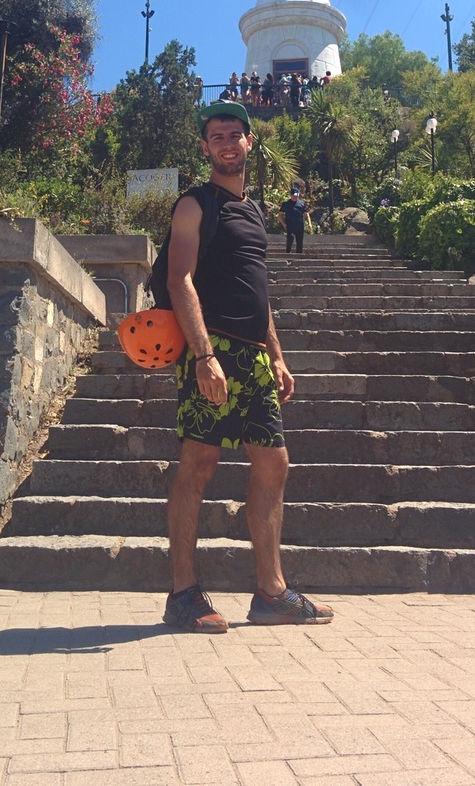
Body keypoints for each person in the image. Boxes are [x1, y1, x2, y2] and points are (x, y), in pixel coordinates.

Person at [163, 100, 334, 632]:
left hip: (255, 358)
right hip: (212, 350)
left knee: (274, 463)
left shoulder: (257, 212)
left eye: (236, 135)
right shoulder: (194, 204)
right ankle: (183, 594)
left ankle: (271, 592)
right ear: (204, 146)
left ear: (249, 143)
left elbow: (256, 292)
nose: (227, 143)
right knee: (199, 462)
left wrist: (277, 355)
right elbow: (178, 280)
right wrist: (204, 357)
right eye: (217, 136)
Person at [279, 186, 312, 254]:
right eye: (294, 196)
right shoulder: (286, 204)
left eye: (296, 196)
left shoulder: (302, 203)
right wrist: (284, 224)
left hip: (299, 225)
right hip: (290, 225)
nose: (295, 197)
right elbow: (280, 215)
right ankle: (288, 253)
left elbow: (306, 214)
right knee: (290, 238)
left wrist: (309, 224)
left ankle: (298, 256)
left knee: (299, 241)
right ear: (290, 195)